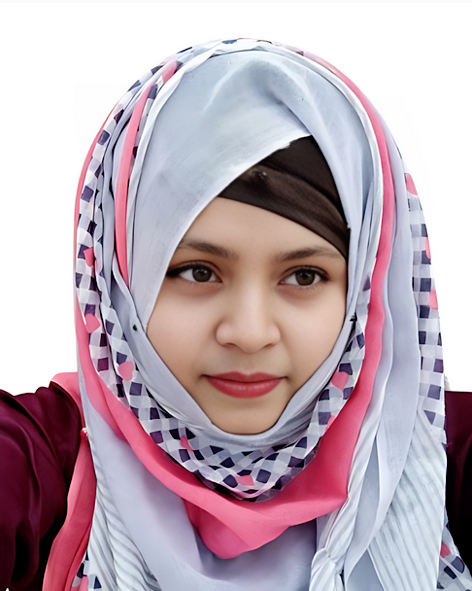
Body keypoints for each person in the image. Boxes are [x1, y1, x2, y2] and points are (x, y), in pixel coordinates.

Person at [1, 38, 471, 591]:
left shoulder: (437, 451)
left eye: (304, 276)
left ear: (368, 293)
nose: (249, 333)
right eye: (198, 272)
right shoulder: (47, 454)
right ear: (119, 282)